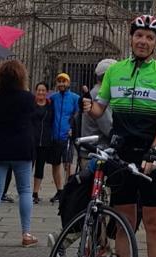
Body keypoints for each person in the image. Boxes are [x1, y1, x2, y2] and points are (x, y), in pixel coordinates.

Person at [82, 14, 156, 257]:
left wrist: (155, 151)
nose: (143, 41)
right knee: (123, 223)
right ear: (131, 38)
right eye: (139, 35)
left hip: (151, 156)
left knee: (153, 223)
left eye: (149, 37)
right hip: (122, 156)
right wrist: (89, 107)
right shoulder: (116, 72)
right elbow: (100, 110)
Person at [0, 60, 38, 250]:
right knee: (25, 191)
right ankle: (26, 233)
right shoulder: (28, 97)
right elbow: (33, 114)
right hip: (21, 148)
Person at [78, 59, 116, 170]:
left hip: (94, 150)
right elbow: (108, 128)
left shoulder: (95, 92)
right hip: (96, 152)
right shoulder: (100, 95)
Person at [50, 73, 80, 202]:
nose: (61, 84)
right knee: (55, 164)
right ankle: (59, 190)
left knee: (68, 164)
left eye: (64, 82)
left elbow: (78, 115)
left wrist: (73, 129)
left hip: (67, 135)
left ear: (68, 83)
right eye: (59, 82)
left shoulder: (75, 98)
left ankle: (69, 190)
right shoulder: (53, 98)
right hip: (54, 135)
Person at [32, 81, 55, 204]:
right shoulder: (31, 105)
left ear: (47, 92)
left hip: (45, 141)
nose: (41, 92)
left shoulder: (50, 106)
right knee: (27, 167)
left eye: (43, 90)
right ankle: (24, 191)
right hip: (31, 141)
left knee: (40, 168)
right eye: (39, 90)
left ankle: (35, 192)